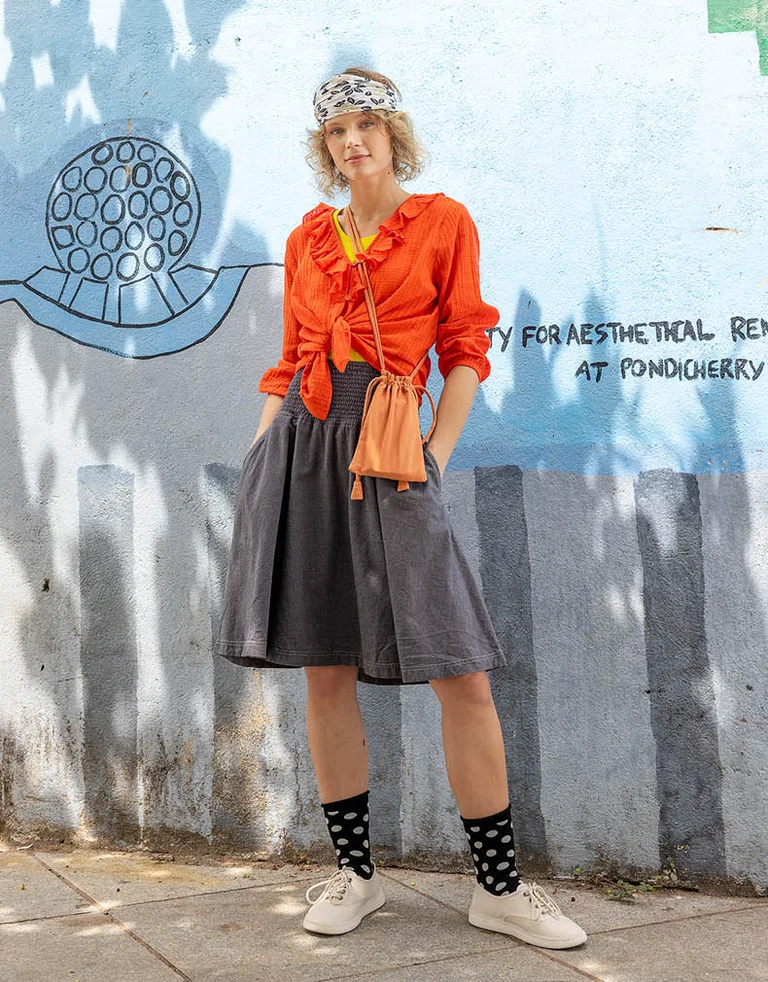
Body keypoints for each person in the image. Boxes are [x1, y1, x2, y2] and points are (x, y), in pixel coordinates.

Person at [213, 67, 586, 950]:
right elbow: (289, 358)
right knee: (326, 669)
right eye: (337, 131)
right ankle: (356, 874)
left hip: (391, 449)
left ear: (393, 135)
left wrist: (435, 456)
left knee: (461, 672)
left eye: (366, 126)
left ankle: (500, 888)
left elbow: (464, 347)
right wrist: (261, 458)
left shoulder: (443, 223)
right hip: (302, 445)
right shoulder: (309, 237)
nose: (353, 142)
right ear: (326, 148)